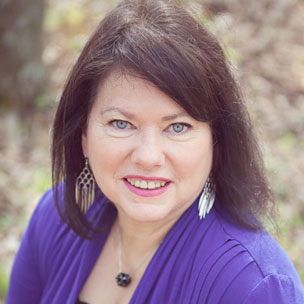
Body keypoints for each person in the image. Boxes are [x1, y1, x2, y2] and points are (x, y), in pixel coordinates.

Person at [6, 0, 304, 303]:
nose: (148, 157)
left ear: (217, 141)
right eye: (121, 123)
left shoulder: (253, 285)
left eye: (177, 127)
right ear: (83, 133)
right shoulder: (55, 218)